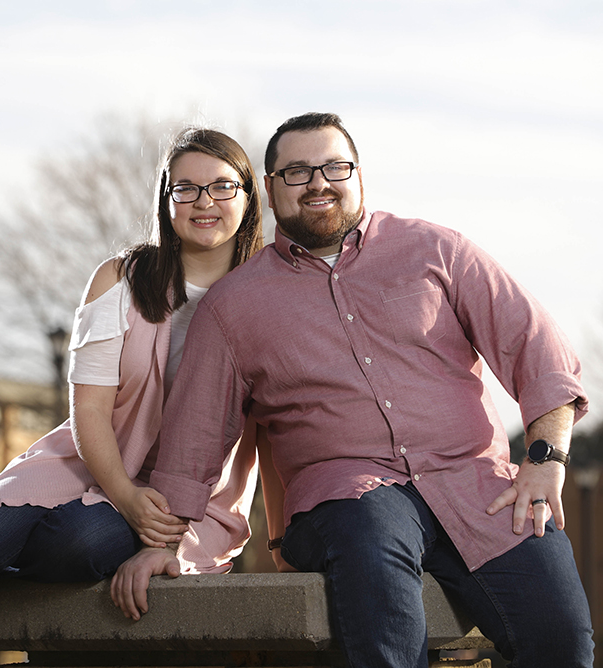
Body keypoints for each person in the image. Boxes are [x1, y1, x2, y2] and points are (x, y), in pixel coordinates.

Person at [112, 112, 594, 667]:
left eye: (334, 166)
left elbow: (538, 350)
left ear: (359, 175)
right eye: (296, 172)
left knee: (561, 637)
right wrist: (159, 547)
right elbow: (194, 436)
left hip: (481, 488)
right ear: (268, 190)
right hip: (348, 497)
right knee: (374, 563)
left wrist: (545, 459)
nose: (318, 182)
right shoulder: (232, 306)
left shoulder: (438, 251)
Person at [0, 127, 266, 660]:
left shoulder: (266, 298)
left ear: (248, 196)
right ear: (166, 201)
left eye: (223, 186)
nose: (204, 202)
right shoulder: (122, 280)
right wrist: (124, 492)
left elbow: (277, 434)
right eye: (185, 188)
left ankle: (10, 607)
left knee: (80, 543)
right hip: (91, 461)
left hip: (192, 499)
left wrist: (279, 544)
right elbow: (88, 408)